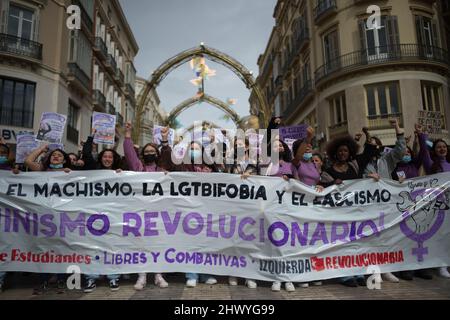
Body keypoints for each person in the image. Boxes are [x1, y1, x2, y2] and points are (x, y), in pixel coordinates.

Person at [123, 123, 170, 290]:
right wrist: (128, 134)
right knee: (141, 244)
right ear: (142, 154)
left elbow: (167, 156)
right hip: (140, 212)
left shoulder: (162, 169)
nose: (150, 153)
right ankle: (142, 276)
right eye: (147, 151)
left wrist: (164, 140)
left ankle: (158, 275)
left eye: (153, 151)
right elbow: (129, 154)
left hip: (159, 213)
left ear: (157, 154)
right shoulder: (138, 168)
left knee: (158, 244)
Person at [362, 119, 406, 283]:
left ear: (379, 147)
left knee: (386, 237)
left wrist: (397, 128)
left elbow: (400, 152)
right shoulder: (362, 162)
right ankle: (374, 270)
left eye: (376, 144)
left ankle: (386, 269)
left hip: (385, 205)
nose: (374, 147)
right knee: (372, 238)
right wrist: (367, 177)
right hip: (368, 206)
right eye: (370, 144)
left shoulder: (385, 160)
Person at [321, 136, 368, 287]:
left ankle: (358, 272)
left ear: (350, 153)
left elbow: (368, 154)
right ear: (335, 153)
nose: (343, 153)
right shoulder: (327, 172)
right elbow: (322, 190)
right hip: (337, 215)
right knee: (341, 245)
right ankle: (344, 275)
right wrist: (332, 184)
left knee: (355, 244)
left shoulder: (355, 167)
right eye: (340, 151)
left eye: (345, 151)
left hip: (355, 212)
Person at [24, 144, 71, 294]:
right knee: (44, 248)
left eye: (59, 155)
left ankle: (61, 279)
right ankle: (43, 279)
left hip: (63, 218)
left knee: (61, 248)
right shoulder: (41, 171)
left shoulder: (68, 173)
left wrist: (70, 174)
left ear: (64, 160)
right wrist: (41, 149)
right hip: (43, 217)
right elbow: (28, 161)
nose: (56, 156)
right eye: (53, 155)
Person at [81, 130, 123, 293]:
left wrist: (121, 175)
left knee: (112, 247)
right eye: (105, 156)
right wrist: (91, 136)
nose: (107, 159)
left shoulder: (120, 173)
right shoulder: (93, 169)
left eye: (110, 157)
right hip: (93, 217)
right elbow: (86, 154)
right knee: (92, 248)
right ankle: (91, 279)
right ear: (100, 158)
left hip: (112, 217)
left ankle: (113, 278)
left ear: (114, 159)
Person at [392, 124, 433, 281]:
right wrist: (396, 182)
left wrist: (421, 136)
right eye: (404, 152)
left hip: (418, 207)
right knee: (404, 238)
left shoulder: (414, 165)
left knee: (421, 237)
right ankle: (406, 268)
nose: (407, 154)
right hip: (401, 209)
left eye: (409, 152)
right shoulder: (394, 169)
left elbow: (424, 153)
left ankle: (421, 267)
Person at [260, 138, 296, 292]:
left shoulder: (291, 165)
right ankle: (276, 277)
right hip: (270, 207)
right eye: (275, 145)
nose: (279, 147)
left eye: (281, 145)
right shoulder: (265, 165)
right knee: (272, 241)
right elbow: (259, 182)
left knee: (286, 241)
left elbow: (298, 184)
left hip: (287, 208)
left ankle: (287, 278)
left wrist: (290, 180)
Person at [291, 127, 323, 288]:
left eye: (310, 148)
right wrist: (308, 139)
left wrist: (321, 187)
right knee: (300, 241)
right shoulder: (296, 164)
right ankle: (300, 275)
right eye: (305, 148)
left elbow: (317, 182)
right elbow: (297, 157)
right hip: (299, 205)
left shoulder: (315, 165)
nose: (309, 149)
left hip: (314, 206)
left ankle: (312, 272)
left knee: (313, 240)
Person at [226, 137, 258, 289]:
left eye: (241, 145)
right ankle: (234, 272)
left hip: (251, 207)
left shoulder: (256, 164)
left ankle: (248, 275)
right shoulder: (231, 165)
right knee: (234, 240)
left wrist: (252, 176)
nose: (238, 147)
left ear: (246, 147)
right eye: (236, 145)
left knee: (250, 240)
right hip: (234, 206)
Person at [419, 126, 450, 279]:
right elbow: (424, 151)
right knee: (441, 236)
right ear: (435, 150)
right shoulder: (431, 164)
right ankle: (441, 266)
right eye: (439, 147)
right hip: (439, 206)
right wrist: (421, 134)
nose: (442, 149)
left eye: (444, 147)